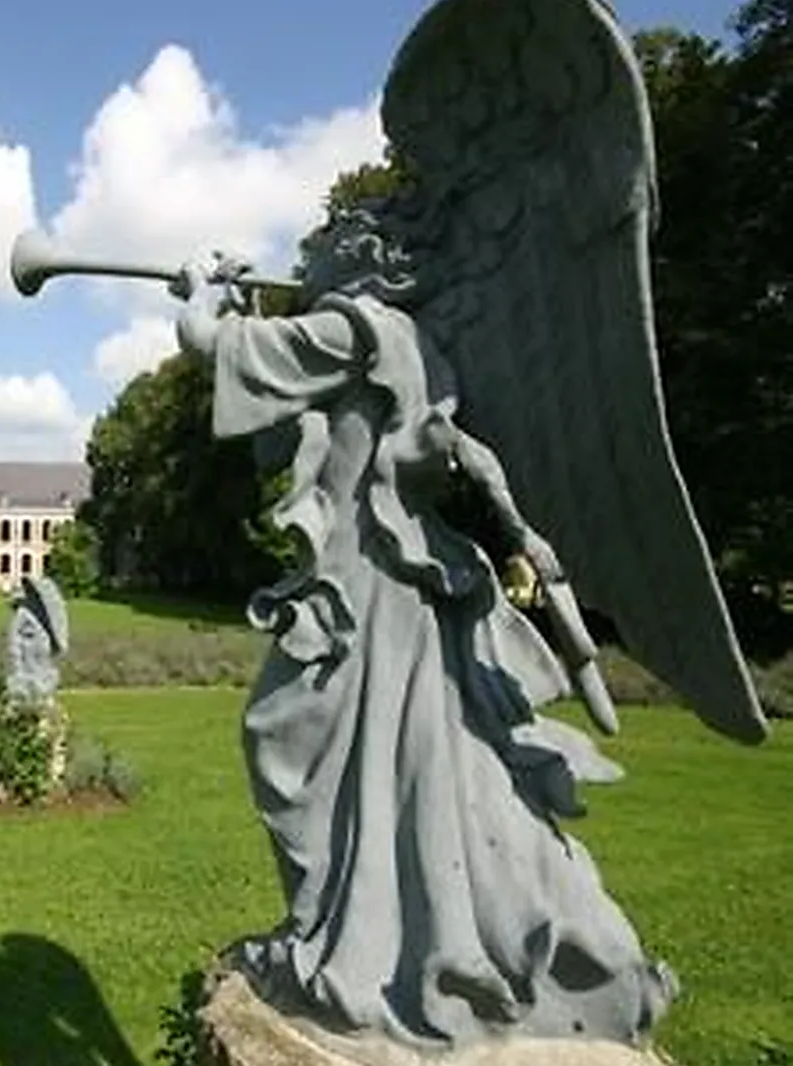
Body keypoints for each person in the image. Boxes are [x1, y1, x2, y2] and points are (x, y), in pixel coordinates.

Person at [173, 216, 675, 1049]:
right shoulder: (410, 342)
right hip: (399, 587)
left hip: (372, 587)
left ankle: (357, 952)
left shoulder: (357, 328)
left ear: (360, 265)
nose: (308, 267)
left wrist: (201, 293)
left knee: (291, 740)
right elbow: (292, 423)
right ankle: (396, 940)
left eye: (321, 256)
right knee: (423, 775)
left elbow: (217, 347)